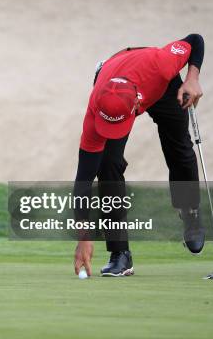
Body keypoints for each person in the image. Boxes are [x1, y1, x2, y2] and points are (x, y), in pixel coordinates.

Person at [72, 34, 206, 277]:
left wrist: (192, 79)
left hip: (160, 86)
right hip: (113, 82)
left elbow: (195, 40)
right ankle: (120, 254)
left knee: (179, 148)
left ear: (136, 107)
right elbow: (82, 180)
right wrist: (83, 236)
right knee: (107, 165)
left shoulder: (162, 63)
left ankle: (190, 212)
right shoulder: (96, 109)